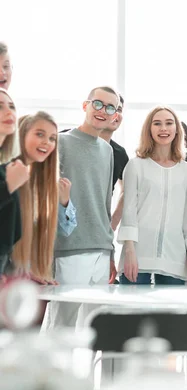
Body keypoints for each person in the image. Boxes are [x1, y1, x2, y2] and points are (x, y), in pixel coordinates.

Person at [49, 86, 119, 328]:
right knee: (61, 326)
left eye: (110, 107)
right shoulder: (60, 142)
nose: (103, 111)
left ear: (115, 116)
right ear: (85, 105)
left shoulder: (108, 151)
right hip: (70, 249)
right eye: (98, 103)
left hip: (101, 250)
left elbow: (105, 203)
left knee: (92, 330)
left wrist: (110, 250)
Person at [117, 106, 187, 285]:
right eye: (157, 124)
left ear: (177, 130)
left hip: (174, 257)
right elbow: (129, 211)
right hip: (138, 255)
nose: (163, 128)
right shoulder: (135, 166)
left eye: (169, 123)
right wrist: (129, 251)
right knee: (132, 312)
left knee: (171, 312)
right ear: (149, 130)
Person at [11, 112, 76, 283]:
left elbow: (66, 229)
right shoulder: (7, 177)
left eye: (52, 138)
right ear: (21, 135)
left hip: (30, 275)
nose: (47, 142)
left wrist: (64, 202)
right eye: (40, 134)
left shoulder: (45, 186)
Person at [0, 88, 27, 276]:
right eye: (0, 107)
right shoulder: (9, 175)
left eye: (11, 106)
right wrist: (8, 186)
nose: (9, 112)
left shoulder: (7, 166)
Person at [98, 93, 129, 231]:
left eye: (119, 109)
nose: (115, 113)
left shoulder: (120, 153)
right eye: (110, 108)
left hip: (100, 232)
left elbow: (127, 190)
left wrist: (113, 224)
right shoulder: (65, 139)